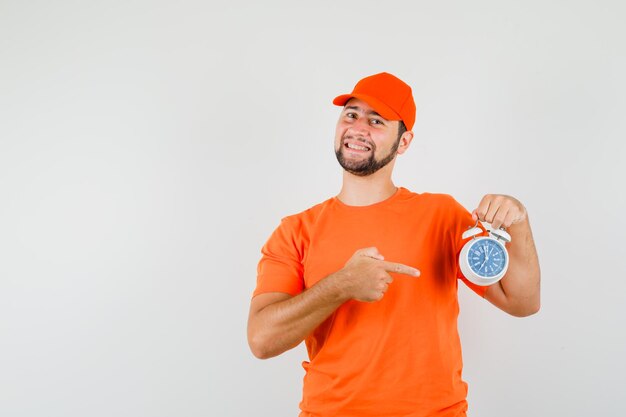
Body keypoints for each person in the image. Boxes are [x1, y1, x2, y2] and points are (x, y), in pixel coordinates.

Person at [247, 72, 540, 417]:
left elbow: (522, 302)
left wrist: (518, 223)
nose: (358, 128)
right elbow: (261, 341)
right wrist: (340, 285)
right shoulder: (295, 231)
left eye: (376, 121)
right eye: (351, 114)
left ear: (403, 142)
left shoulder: (442, 215)